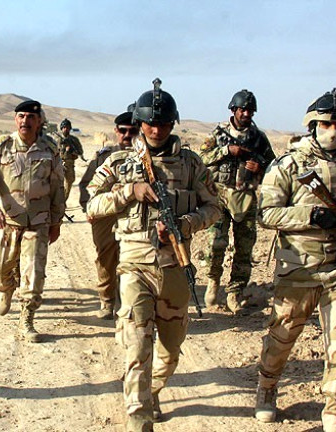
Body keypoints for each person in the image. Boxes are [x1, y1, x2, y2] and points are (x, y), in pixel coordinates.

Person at [86, 80, 220, 431]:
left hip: (174, 266)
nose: (156, 130)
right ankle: (139, 415)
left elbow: (214, 207)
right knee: (137, 345)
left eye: (163, 123)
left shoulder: (191, 165)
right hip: (134, 267)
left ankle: (153, 390)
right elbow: (92, 206)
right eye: (150, 123)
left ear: (172, 123)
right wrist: (129, 191)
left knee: (171, 350)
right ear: (140, 123)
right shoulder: (120, 163)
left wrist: (187, 223)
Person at [254, 88, 336, 432]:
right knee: (282, 337)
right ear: (313, 125)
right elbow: (266, 213)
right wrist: (310, 215)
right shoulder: (289, 165)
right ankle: (267, 387)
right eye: (329, 123)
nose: (335, 130)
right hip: (298, 266)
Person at [0, 100, 65, 343]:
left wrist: (56, 221)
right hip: (7, 221)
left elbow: (58, 187)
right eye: (21, 116)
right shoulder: (2, 145)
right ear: (15, 119)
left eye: (30, 117)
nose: (25, 121)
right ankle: (5, 289)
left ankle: (27, 318)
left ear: (39, 121)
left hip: (38, 222)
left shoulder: (50, 149)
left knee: (34, 273)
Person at [199, 89, 275, 314]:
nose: (247, 114)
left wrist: (260, 167)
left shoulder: (258, 138)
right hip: (219, 196)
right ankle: (213, 282)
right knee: (216, 243)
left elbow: (274, 166)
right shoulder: (218, 134)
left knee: (244, 247)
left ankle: (235, 292)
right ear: (234, 110)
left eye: (250, 111)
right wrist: (226, 151)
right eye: (243, 109)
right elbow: (201, 158)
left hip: (246, 197)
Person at [78, 109, 138, 319]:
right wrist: (89, 209)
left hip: (134, 216)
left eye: (133, 131)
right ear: (116, 131)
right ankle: (107, 300)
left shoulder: (146, 157)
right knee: (106, 259)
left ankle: (127, 301)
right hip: (105, 217)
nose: (127, 135)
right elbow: (86, 185)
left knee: (133, 258)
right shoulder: (104, 156)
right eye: (123, 131)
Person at [58, 118, 84, 204]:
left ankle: (62, 201)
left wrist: (72, 151)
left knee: (69, 182)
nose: (66, 129)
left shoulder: (74, 140)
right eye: (64, 127)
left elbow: (80, 151)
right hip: (58, 164)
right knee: (56, 184)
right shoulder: (57, 139)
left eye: (67, 128)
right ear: (61, 128)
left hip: (69, 164)